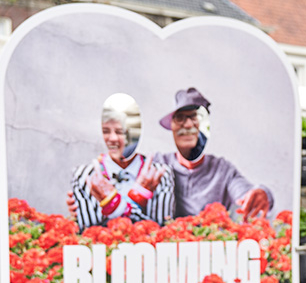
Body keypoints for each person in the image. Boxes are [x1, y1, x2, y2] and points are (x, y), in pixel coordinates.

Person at [154, 87, 273, 221]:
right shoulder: (158, 163)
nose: (187, 125)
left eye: (194, 117)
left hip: (212, 240)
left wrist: (260, 194)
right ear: (172, 127)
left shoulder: (222, 169)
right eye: (180, 118)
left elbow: (244, 192)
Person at [71, 106, 174, 231]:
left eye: (121, 132)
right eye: (106, 131)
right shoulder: (84, 175)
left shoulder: (160, 174)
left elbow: (160, 232)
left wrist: (114, 206)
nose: (113, 138)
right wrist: (136, 198)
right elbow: (87, 233)